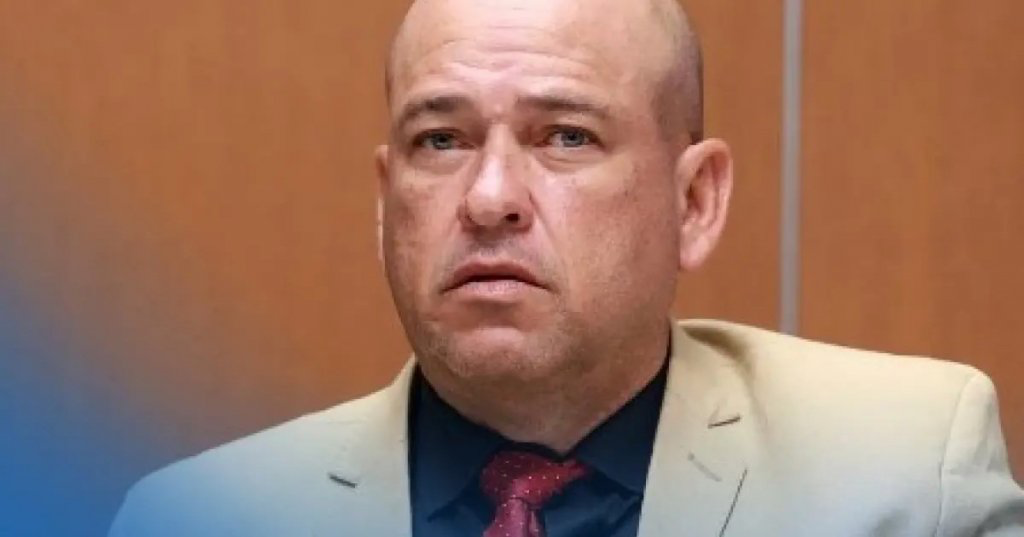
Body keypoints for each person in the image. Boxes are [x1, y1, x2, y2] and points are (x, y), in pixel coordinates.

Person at [109, 0, 1024, 535]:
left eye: (566, 136)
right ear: (387, 204)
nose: (489, 197)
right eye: (441, 140)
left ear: (694, 202)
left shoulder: (905, 472)